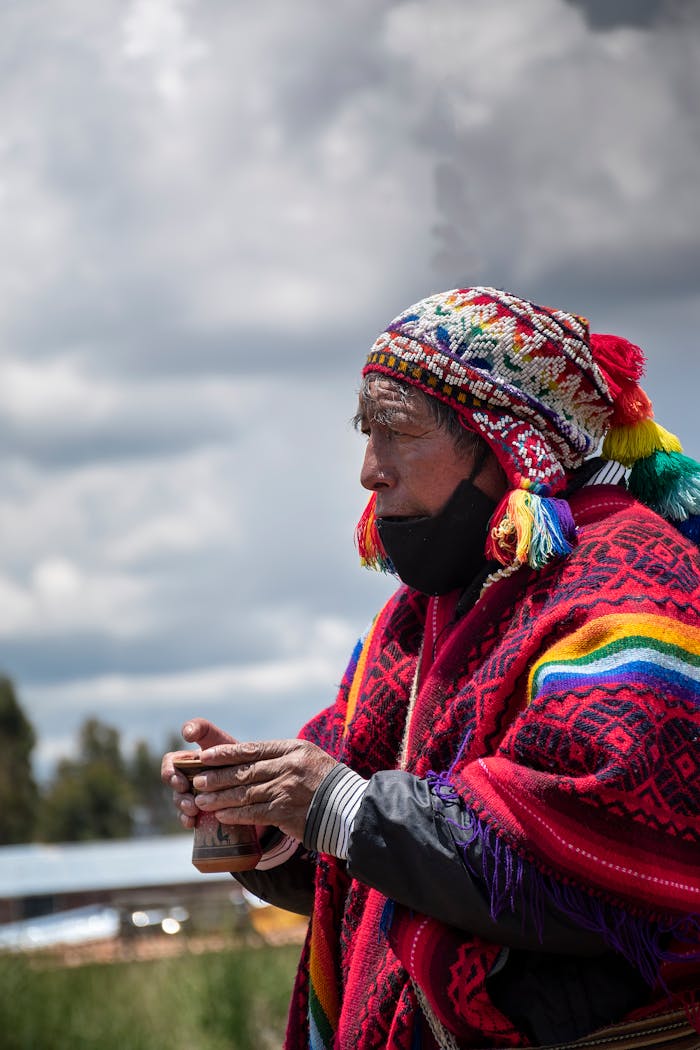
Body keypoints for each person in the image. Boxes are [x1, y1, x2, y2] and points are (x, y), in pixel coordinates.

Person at [162, 287, 700, 1049]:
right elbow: (360, 847)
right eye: (365, 430)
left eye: (396, 431)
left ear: (507, 440)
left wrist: (344, 806)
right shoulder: (419, 621)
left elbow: (589, 849)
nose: (368, 471)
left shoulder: (632, 589)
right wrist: (263, 810)